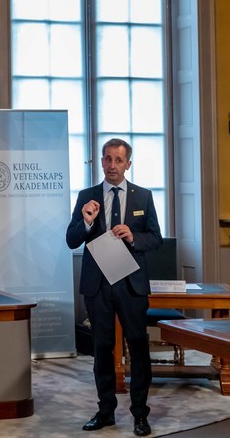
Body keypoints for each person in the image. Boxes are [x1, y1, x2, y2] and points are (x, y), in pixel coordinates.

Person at [66, 138, 162, 436]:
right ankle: (105, 411)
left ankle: (140, 414)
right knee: (102, 348)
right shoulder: (87, 196)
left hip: (131, 283)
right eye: (107, 159)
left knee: (138, 346)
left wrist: (133, 237)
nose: (112, 165)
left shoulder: (143, 196)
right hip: (98, 285)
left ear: (128, 164)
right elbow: (71, 240)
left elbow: (155, 238)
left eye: (118, 160)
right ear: (101, 162)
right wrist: (85, 222)